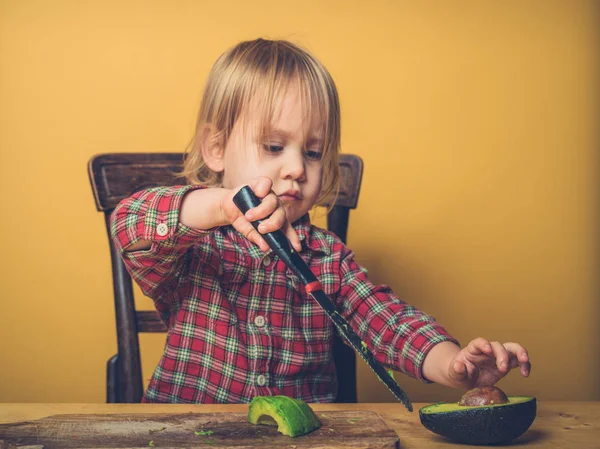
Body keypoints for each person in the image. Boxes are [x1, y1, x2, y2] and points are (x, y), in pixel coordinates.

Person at [111, 38, 531, 404]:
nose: (296, 167)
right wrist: (221, 206)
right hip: (183, 432)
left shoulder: (328, 257)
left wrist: (451, 364)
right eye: (275, 146)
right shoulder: (193, 246)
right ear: (216, 148)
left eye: (312, 152)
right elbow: (130, 225)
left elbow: (387, 320)